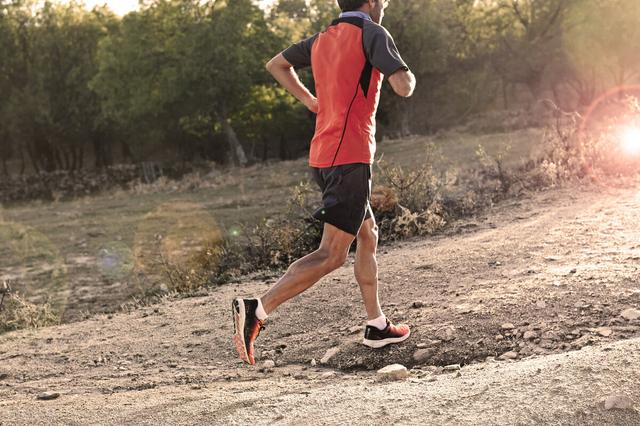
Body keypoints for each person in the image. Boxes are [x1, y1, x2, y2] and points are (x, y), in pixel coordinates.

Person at [232, 0, 416, 365]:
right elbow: (403, 87)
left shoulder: (320, 39)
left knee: (368, 235)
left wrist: (311, 101)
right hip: (349, 159)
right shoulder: (373, 33)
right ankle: (258, 309)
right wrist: (405, 72)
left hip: (324, 155)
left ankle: (376, 326)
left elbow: (276, 65)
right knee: (331, 254)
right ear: (372, 3)